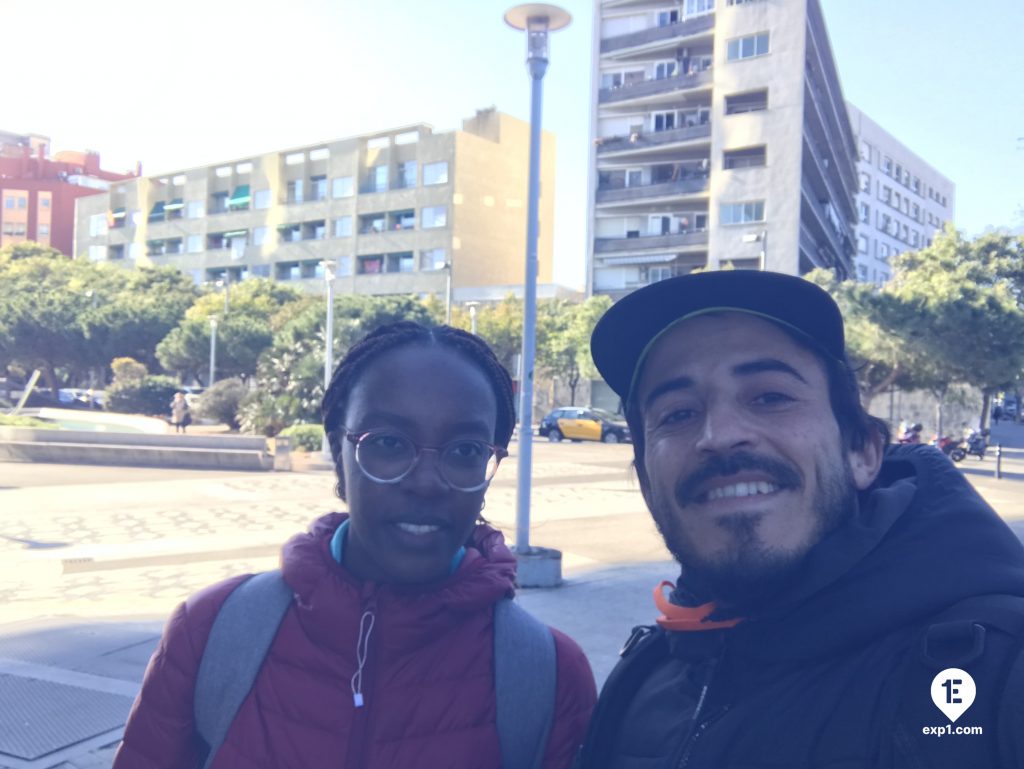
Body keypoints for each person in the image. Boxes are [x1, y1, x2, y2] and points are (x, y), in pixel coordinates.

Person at [579, 271, 1024, 769]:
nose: (719, 435)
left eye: (770, 397)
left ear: (861, 452)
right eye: (678, 413)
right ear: (645, 478)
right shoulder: (645, 673)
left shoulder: (994, 671)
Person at [115, 321, 596, 768]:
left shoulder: (548, 676)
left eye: (466, 451)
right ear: (339, 455)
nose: (426, 483)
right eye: (388, 443)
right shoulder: (213, 632)